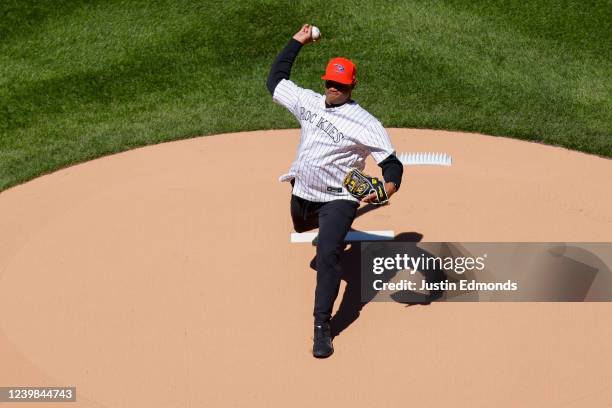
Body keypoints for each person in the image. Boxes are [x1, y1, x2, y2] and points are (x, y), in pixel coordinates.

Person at [266, 24, 404, 358]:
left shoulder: (367, 124)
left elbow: (393, 165)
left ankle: (322, 327)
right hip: (304, 191)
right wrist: (296, 41)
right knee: (300, 225)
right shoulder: (309, 102)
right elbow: (275, 81)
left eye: (340, 85)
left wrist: (385, 189)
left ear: (352, 85)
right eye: (329, 82)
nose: (332, 89)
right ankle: (328, 233)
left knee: (327, 255)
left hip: (339, 197)